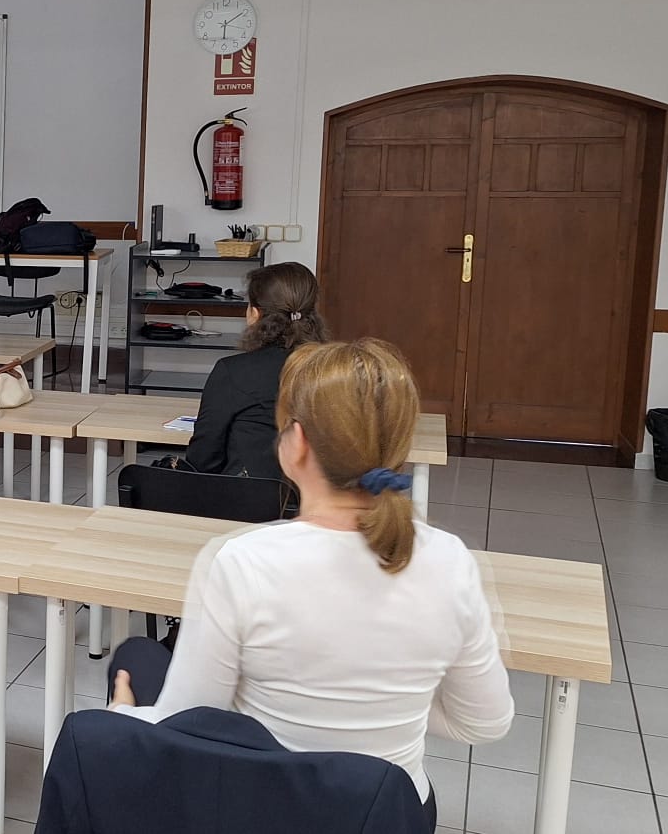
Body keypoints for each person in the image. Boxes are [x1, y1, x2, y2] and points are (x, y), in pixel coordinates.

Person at [106, 339, 513, 819]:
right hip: (390, 815)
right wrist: (380, 700)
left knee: (135, 658)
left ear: (297, 443)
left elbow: (186, 722)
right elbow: (485, 722)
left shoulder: (242, 561)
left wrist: (122, 717)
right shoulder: (451, 560)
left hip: (267, 809)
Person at [186, 262, 327, 479]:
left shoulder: (232, 371)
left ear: (255, 313)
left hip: (245, 504)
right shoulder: (333, 369)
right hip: (319, 502)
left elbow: (203, 460)